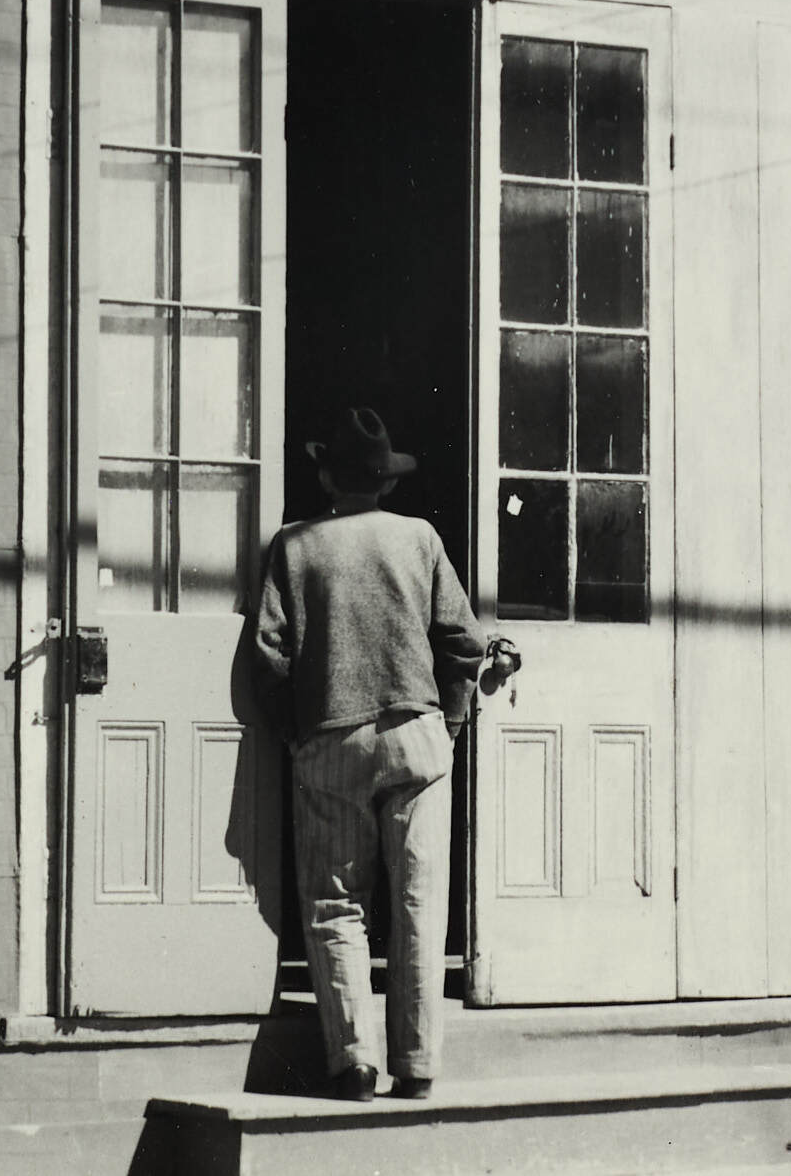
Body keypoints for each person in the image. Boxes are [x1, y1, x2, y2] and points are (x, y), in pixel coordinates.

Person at [246, 407, 487, 1102]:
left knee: (334, 903)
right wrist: (451, 718)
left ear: (327, 475)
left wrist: (298, 731)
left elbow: (268, 654)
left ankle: (352, 1058)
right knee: (418, 903)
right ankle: (417, 1064)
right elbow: (464, 643)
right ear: (386, 483)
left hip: (330, 739)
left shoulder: (297, 546)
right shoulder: (419, 538)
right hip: (416, 738)